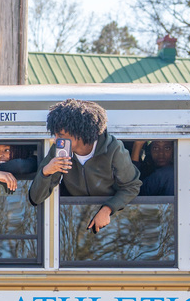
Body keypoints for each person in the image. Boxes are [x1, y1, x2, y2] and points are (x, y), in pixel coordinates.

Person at [28, 99, 141, 232]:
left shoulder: (114, 149)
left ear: (80, 134)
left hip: (115, 222)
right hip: (76, 221)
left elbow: (132, 186)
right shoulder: (58, 150)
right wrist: (46, 172)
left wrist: (108, 209)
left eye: (61, 135)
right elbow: (36, 198)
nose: (56, 140)